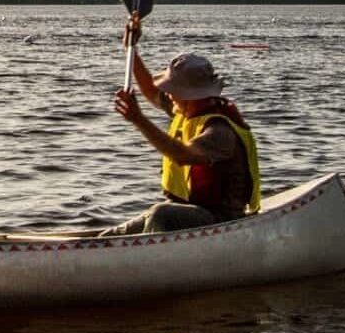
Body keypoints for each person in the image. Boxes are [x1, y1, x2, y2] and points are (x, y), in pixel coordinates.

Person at [106, 15, 261, 235]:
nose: (168, 94)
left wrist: (139, 119)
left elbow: (182, 155)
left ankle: (148, 254)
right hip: (190, 211)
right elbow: (150, 90)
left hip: (221, 219)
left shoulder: (220, 131)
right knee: (118, 233)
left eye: (172, 90)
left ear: (188, 95)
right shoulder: (186, 109)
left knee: (161, 214)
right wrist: (131, 49)